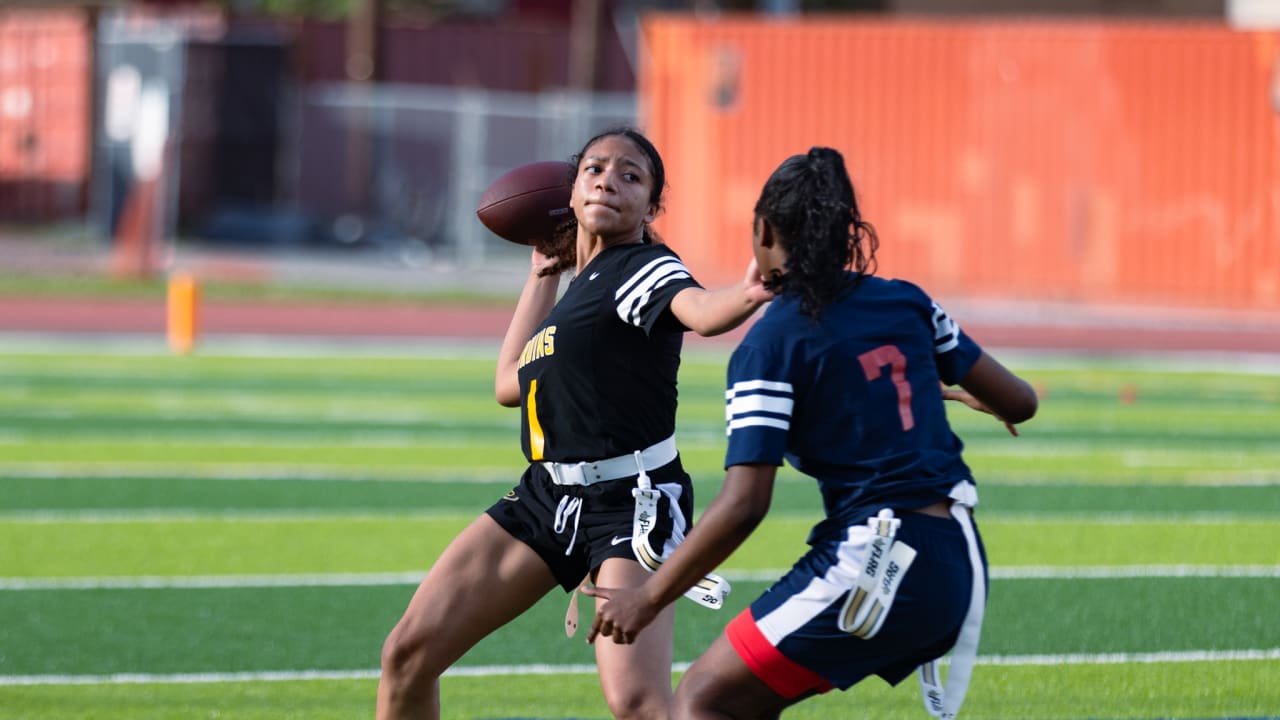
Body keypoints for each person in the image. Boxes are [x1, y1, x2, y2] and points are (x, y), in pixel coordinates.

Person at [584, 146, 1039, 719]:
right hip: (957, 559)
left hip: (875, 558)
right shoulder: (907, 301)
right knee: (748, 699)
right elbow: (1019, 402)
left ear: (765, 230)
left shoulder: (772, 342)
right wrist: (944, 389)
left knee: (702, 702)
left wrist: (647, 598)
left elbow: (745, 505)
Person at [376, 126, 774, 720]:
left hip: (631, 501)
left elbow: (701, 310)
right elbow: (509, 382)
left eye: (630, 175)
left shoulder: (644, 268)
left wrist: (745, 293)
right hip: (547, 495)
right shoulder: (575, 290)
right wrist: (543, 270)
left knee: (636, 702)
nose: (609, 180)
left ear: (651, 206)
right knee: (407, 654)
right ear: (572, 190)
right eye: (595, 169)